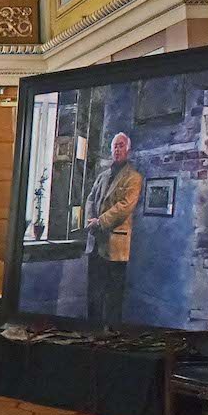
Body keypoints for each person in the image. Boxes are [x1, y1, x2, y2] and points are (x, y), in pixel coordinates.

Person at [84, 132, 143, 326]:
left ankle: (111, 335)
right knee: (94, 295)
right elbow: (90, 199)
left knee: (113, 298)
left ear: (128, 150)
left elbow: (124, 207)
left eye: (121, 145)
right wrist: (90, 221)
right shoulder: (102, 176)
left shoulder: (134, 178)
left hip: (115, 248)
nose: (117, 149)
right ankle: (91, 331)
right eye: (115, 146)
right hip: (95, 245)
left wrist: (99, 222)